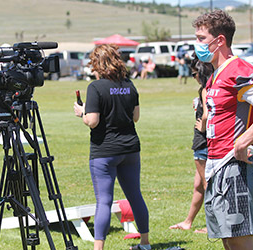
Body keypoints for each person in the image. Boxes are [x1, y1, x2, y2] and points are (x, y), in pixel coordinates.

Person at [193, 10, 253, 250]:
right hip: (218, 168)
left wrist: (245, 140)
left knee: (241, 245)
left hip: (235, 168)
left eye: (202, 38)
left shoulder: (238, 70)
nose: (197, 45)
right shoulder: (214, 76)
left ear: (219, 40)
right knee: (230, 243)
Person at [73, 44, 150, 250]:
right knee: (135, 196)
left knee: (104, 201)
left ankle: (99, 248)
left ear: (98, 64)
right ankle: (145, 242)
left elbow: (93, 121)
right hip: (130, 148)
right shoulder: (129, 84)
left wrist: (82, 112)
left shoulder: (95, 87)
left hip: (105, 150)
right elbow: (136, 117)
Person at [169, 54, 213, 233]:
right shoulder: (210, 88)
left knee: (207, 184)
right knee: (198, 185)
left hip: (202, 143)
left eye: (194, 74)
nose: (193, 77)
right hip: (206, 143)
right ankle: (188, 221)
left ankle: (213, 225)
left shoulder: (205, 89)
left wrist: (202, 125)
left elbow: (207, 115)